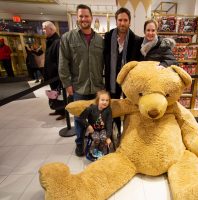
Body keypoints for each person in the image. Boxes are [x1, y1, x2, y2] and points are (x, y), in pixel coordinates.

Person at [59, 4, 105, 157]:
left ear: (92, 17)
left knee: (96, 117)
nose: (84, 19)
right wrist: (67, 84)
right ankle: (79, 143)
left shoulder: (99, 40)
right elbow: (63, 63)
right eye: (81, 16)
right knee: (79, 118)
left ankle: (96, 143)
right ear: (77, 18)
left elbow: (104, 63)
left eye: (86, 16)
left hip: (97, 87)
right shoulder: (68, 38)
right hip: (79, 86)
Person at [104, 7, 142, 138]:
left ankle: (128, 134)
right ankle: (115, 134)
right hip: (112, 80)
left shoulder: (137, 40)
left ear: (129, 22)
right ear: (116, 21)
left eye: (125, 20)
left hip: (129, 82)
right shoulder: (108, 37)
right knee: (113, 107)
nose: (122, 23)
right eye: (120, 20)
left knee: (129, 107)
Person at [78, 90, 112, 161]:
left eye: (107, 100)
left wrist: (108, 136)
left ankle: (100, 150)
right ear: (97, 100)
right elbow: (81, 118)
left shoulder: (108, 110)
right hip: (93, 129)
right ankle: (95, 150)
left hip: (103, 129)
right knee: (97, 139)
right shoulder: (91, 108)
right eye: (102, 100)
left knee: (103, 138)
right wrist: (88, 126)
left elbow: (109, 123)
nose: (105, 102)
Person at [42, 21, 65, 120]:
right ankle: (57, 109)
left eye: (44, 28)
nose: (43, 31)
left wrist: (60, 75)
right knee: (54, 93)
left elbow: (60, 59)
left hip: (56, 74)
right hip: (51, 74)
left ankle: (63, 112)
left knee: (58, 92)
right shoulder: (50, 41)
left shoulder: (57, 41)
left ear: (51, 29)